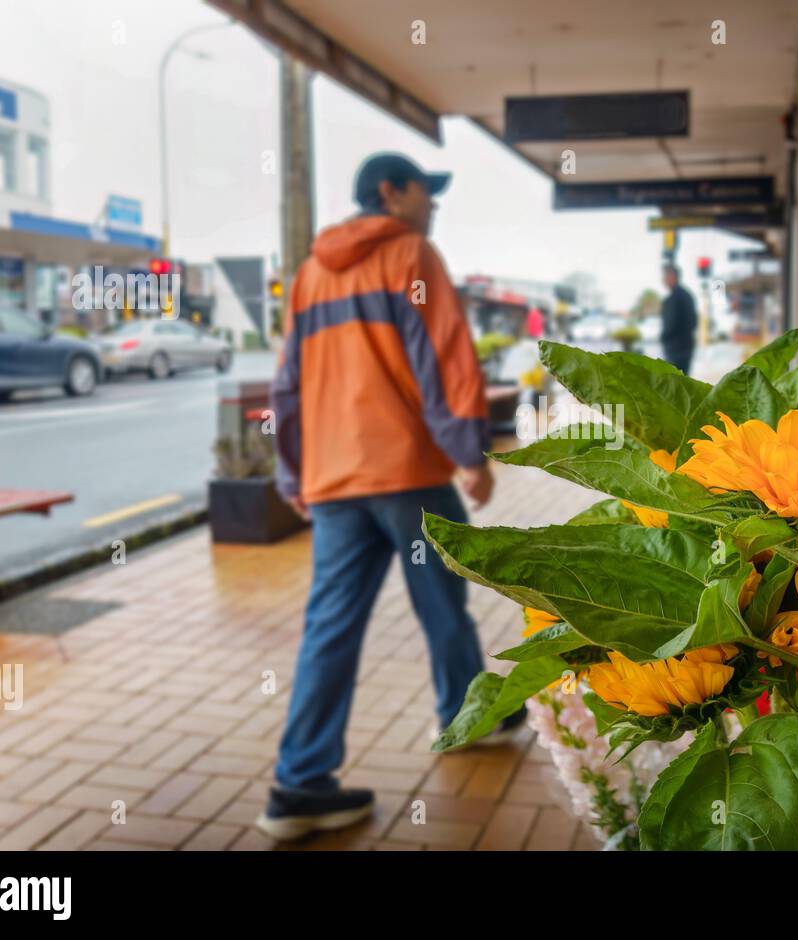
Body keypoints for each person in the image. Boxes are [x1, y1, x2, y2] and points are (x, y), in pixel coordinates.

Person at [257, 152, 523, 841]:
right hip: (406, 472)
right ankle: (467, 714)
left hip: (335, 481)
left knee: (330, 626)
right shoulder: (412, 255)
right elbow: (442, 355)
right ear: (389, 191)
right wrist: (469, 454)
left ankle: (300, 785)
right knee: (443, 603)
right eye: (423, 191)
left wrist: (292, 473)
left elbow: (285, 383)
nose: (432, 204)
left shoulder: (310, 276)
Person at [660, 263, 698, 374]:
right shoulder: (687, 295)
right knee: (683, 380)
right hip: (687, 346)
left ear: (672, 276)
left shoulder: (673, 299)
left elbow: (670, 324)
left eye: (665, 276)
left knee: (675, 383)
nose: (663, 280)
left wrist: (664, 337)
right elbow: (694, 322)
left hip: (675, 348)